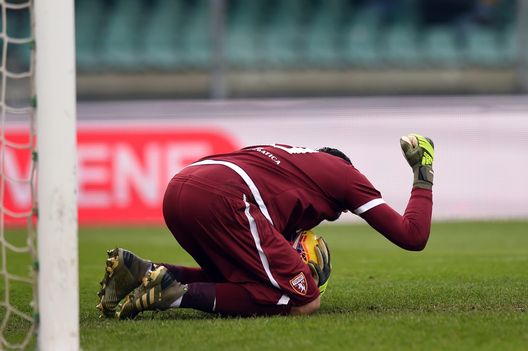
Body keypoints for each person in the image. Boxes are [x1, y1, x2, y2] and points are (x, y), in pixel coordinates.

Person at [96, 133, 435, 319]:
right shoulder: (344, 174)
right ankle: (174, 297)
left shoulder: (286, 155)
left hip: (178, 189)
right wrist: (423, 175)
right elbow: (412, 236)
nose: (330, 216)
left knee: (234, 280)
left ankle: (143, 272)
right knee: (305, 302)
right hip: (226, 197)